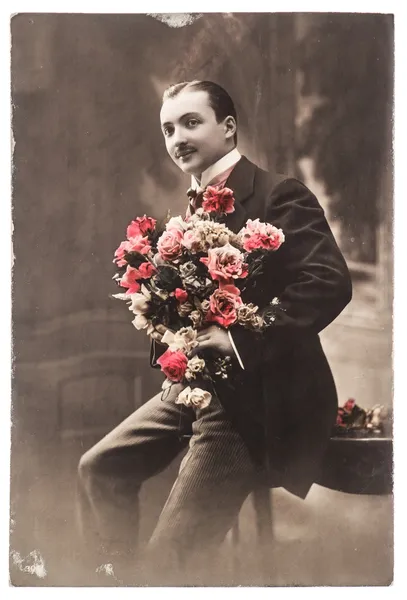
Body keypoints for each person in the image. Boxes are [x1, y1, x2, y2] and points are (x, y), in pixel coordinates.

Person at [76, 80, 352, 585]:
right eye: (168, 128)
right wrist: (179, 357)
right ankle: (113, 583)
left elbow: (329, 282)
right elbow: (190, 303)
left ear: (227, 127)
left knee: (169, 563)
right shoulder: (193, 208)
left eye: (191, 122)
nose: (177, 137)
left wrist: (240, 339)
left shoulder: (278, 194)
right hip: (201, 387)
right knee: (101, 469)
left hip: (261, 398)